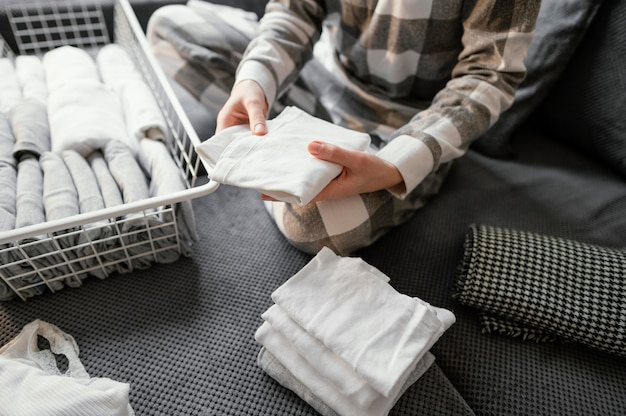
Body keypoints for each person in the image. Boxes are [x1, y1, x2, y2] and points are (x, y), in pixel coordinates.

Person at [148, 0, 541, 255]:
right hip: (321, 75)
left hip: (408, 125)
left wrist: (395, 166)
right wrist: (256, 81)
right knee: (167, 26)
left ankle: (291, 153)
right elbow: (296, 10)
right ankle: (290, 144)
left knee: (311, 227)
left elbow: (489, 75)